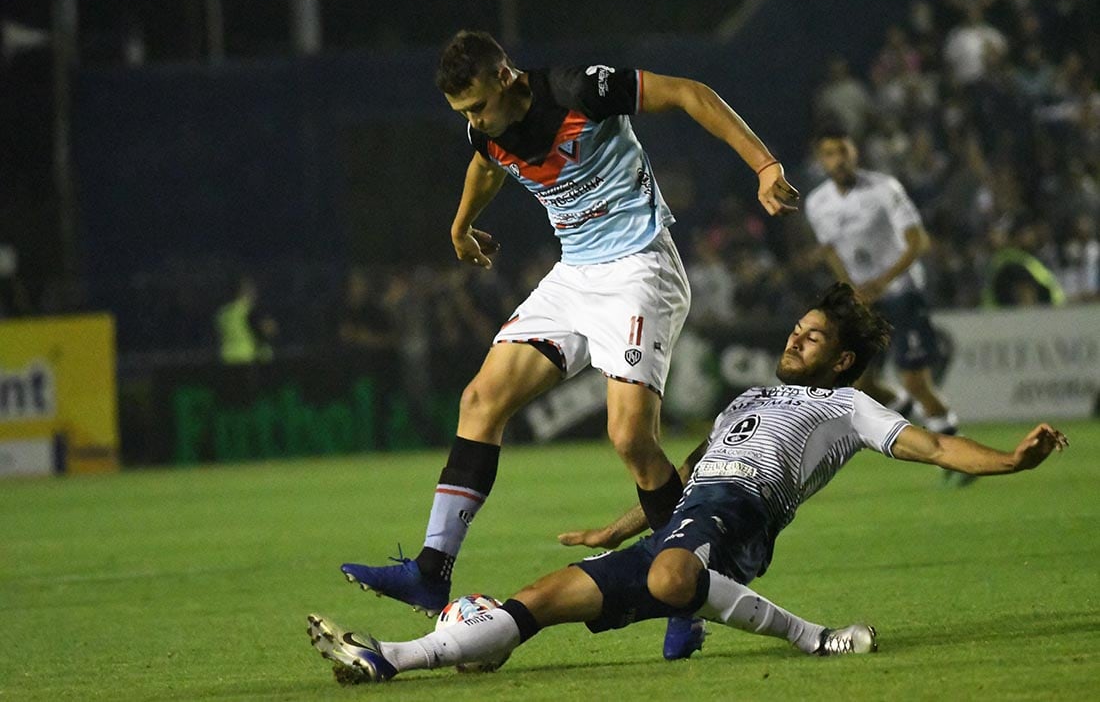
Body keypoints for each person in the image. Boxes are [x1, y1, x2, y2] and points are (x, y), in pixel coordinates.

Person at [307, 282, 1067, 685]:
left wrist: (1009, 460)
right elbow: (683, 477)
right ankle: (389, 658)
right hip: (684, 524)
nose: (793, 337)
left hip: (740, 526)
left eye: (812, 336)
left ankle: (815, 638)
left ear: (840, 360)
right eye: (796, 327)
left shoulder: (846, 406)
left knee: (677, 574)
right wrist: (617, 526)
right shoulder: (746, 400)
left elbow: (933, 444)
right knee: (533, 601)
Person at [339, 30, 800, 660]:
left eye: (476, 107)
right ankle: (430, 569)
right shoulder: (486, 130)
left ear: (506, 77)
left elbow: (690, 94)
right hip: (575, 276)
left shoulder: (579, 89)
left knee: (630, 439)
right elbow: (486, 163)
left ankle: (687, 590)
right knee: (481, 399)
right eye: (463, 114)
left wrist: (764, 164)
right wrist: (461, 224)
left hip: (641, 268)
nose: (473, 123)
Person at [803, 128, 967, 484]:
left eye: (844, 151)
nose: (839, 159)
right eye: (831, 153)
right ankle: (907, 413)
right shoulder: (818, 203)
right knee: (860, 383)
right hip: (864, 301)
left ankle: (955, 456)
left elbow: (917, 241)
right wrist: (851, 288)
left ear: (855, 154)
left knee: (916, 380)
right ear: (822, 160)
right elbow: (830, 249)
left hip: (903, 293)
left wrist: (883, 280)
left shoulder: (884, 189)